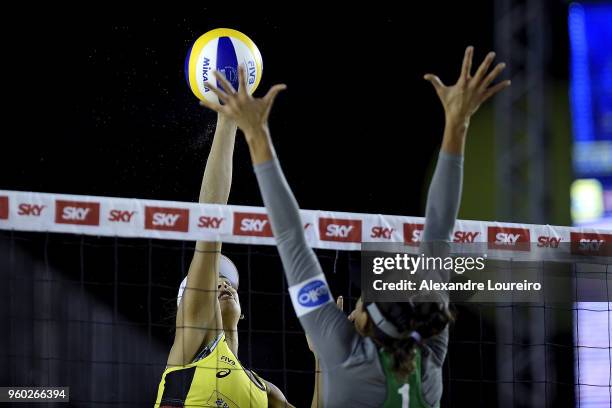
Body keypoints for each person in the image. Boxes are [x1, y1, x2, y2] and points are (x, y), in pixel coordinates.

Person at [200, 46, 509, 407]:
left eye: (361, 300)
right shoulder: (415, 358)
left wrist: (457, 123)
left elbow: (439, 230)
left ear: (363, 321)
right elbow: (291, 238)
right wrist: (257, 134)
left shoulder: (388, 351)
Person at [154, 104, 293, 407]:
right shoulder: (193, 342)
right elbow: (210, 226)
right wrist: (227, 122)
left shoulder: (266, 391)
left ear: (243, 312)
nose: (223, 285)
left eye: (228, 282)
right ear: (187, 307)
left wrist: (322, 356)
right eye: (214, 282)